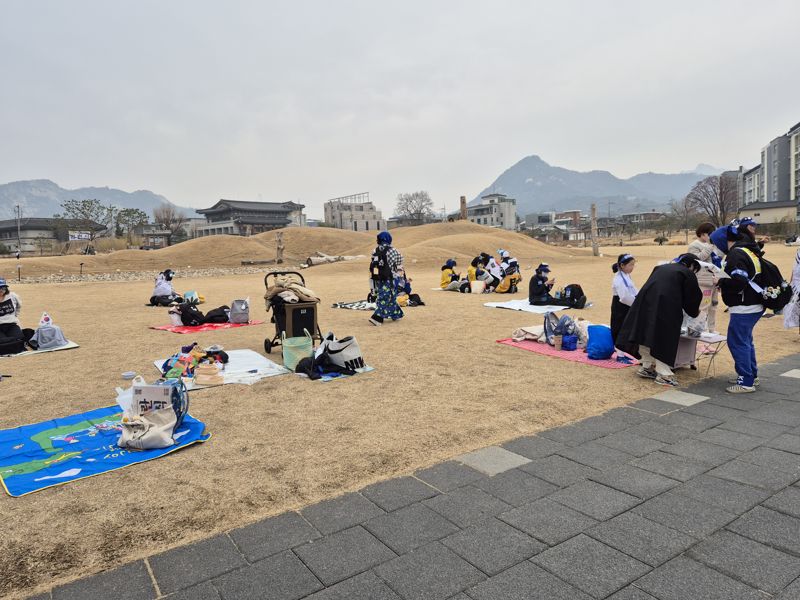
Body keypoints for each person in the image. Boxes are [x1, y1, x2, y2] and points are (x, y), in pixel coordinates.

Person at [617, 254, 702, 387]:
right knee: (663, 338)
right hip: (666, 308)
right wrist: (695, 311)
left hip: (644, 304)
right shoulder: (687, 273)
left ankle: (647, 366)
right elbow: (692, 297)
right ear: (692, 265)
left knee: (645, 335)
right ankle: (664, 374)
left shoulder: (661, 267)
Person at [718, 220, 766, 393]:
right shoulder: (748, 250)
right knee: (746, 340)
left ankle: (746, 382)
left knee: (737, 341)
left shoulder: (735, 254)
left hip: (744, 306)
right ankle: (752, 375)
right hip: (754, 303)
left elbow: (739, 282)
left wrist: (720, 281)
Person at [685, 222, 721, 334]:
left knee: (714, 305)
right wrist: (709, 247)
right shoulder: (694, 245)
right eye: (709, 233)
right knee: (703, 305)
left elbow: (718, 259)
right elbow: (697, 260)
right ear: (702, 233)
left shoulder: (714, 245)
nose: (711, 236)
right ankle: (701, 329)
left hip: (715, 278)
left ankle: (711, 329)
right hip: (702, 280)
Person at [368, 231, 404, 326]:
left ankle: (392, 314)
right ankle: (380, 317)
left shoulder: (374, 250)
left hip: (378, 278)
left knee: (386, 296)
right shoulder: (394, 250)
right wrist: (401, 281)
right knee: (387, 296)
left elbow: (373, 265)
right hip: (391, 278)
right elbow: (400, 263)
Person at [610, 254, 639, 358]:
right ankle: (620, 354)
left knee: (627, 328)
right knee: (619, 328)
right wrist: (636, 304)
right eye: (630, 265)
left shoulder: (627, 276)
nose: (632, 267)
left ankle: (624, 352)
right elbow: (624, 297)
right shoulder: (618, 279)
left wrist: (640, 297)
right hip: (620, 305)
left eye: (633, 265)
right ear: (622, 265)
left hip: (628, 305)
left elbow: (633, 290)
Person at [0, 277, 25, 353]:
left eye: (3, 287)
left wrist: (15, 316)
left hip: (11, 325)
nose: (1, 290)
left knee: (20, 339)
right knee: (3, 342)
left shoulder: (13, 296)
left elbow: (18, 306)